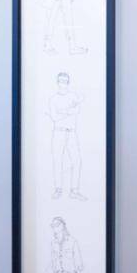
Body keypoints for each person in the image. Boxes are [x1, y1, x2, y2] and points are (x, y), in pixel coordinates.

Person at [47, 72, 86, 201]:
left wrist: (63, 112)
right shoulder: (53, 99)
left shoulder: (73, 96)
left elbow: (76, 110)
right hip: (58, 132)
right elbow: (54, 117)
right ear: (57, 82)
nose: (63, 84)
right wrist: (68, 112)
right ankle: (58, 189)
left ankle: (74, 191)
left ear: (68, 83)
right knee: (58, 161)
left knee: (77, 161)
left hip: (71, 133)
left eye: (65, 81)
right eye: (61, 81)